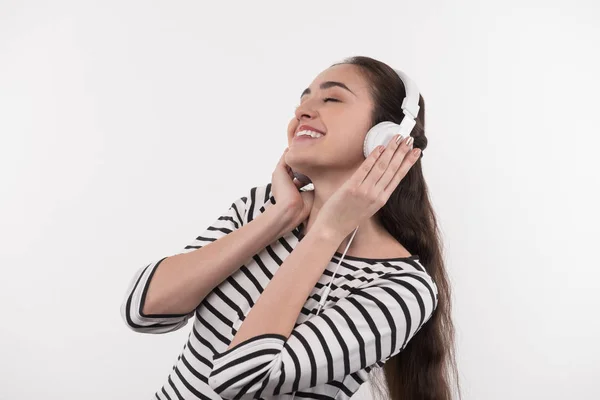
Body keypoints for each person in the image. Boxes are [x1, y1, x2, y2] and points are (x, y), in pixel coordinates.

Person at [120, 55, 460, 400]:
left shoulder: (402, 289)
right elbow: (143, 311)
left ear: (387, 138)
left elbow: (240, 378)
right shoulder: (261, 207)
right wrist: (279, 217)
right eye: (303, 99)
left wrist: (326, 233)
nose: (303, 111)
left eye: (332, 99)